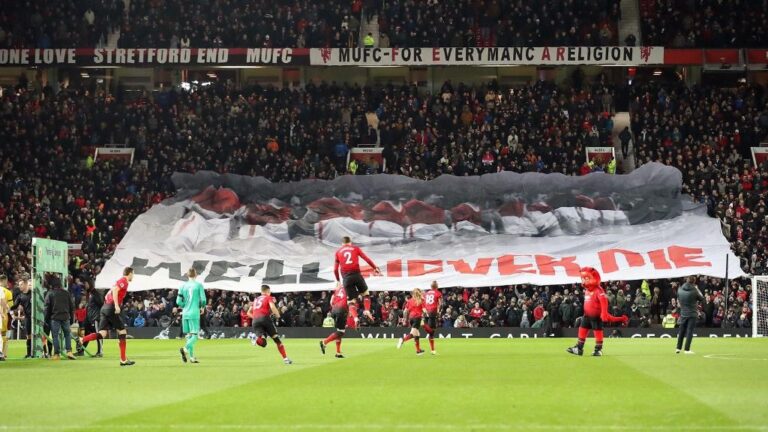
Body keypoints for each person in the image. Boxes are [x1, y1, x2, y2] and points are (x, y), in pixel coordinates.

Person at [79, 267, 135, 366]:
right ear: (129, 273)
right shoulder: (124, 281)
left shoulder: (118, 282)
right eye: (133, 274)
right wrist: (116, 305)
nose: (133, 276)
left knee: (102, 334)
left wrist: (108, 305)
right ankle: (123, 359)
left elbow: (107, 295)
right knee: (122, 332)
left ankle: (82, 339)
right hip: (111, 308)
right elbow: (115, 290)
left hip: (105, 308)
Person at [567, 267, 628, 356]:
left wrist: (603, 313)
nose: (584, 281)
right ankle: (579, 348)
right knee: (582, 329)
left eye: (586, 278)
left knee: (597, 331)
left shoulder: (598, 290)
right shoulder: (587, 290)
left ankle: (598, 350)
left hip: (596, 316)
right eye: (583, 279)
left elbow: (604, 301)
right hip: (586, 315)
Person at [334, 236, 381, 322]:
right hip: (356, 275)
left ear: (342, 243)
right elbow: (366, 259)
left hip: (346, 279)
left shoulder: (338, 252)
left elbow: (335, 269)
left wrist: (338, 280)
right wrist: (375, 267)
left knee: (351, 302)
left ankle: (355, 318)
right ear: (350, 242)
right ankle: (367, 310)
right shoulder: (355, 248)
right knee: (366, 294)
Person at [248, 285, 291, 365]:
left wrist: (257, 317)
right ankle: (285, 359)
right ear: (267, 291)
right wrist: (278, 315)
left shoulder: (256, 299)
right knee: (277, 340)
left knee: (263, 343)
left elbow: (248, 312)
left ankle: (255, 338)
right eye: (269, 291)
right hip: (265, 319)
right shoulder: (268, 297)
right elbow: (272, 307)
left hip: (255, 321)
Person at [176, 268, 207, 364]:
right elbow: (203, 299)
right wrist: (202, 307)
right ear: (196, 275)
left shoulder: (182, 286)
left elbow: (178, 301)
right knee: (195, 336)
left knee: (189, 336)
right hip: (194, 312)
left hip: (185, 313)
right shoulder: (198, 285)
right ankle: (184, 349)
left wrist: (184, 305)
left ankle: (192, 357)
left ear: (187, 275)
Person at [44, 278, 76, 360]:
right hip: (66, 317)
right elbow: (72, 307)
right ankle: (69, 351)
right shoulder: (66, 293)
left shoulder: (50, 293)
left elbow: (47, 308)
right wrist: (72, 318)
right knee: (67, 335)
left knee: (55, 336)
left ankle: (56, 354)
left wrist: (45, 319)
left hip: (55, 318)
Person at [676, 276, 704, 354]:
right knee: (689, 331)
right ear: (694, 282)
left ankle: (678, 348)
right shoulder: (694, 290)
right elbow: (702, 298)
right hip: (692, 313)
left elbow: (678, 298)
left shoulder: (680, 289)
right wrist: (697, 289)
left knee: (681, 331)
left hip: (683, 313)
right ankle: (687, 349)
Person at [319, 282, 348, 358]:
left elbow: (331, 303)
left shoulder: (335, 292)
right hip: (341, 311)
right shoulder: (347, 290)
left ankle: (338, 353)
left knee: (339, 331)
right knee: (341, 332)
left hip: (334, 310)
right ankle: (324, 342)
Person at [397, 288, 427, 355]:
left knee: (417, 334)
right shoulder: (421, 300)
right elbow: (424, 310)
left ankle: (418, 351)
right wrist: (425, 315)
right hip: (417, 318)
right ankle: (402, 340)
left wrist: (405, 319)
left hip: (411, 318)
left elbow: (405, 311)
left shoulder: (410, 301)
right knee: (413, 333)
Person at [79, 284, 104, 357]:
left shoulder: (95, 294)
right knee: (87, 334)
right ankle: (81, 351)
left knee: (98, 334)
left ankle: (100, 352)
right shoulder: (90, 295)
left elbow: (101, 303)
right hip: (89, 318)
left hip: (96, 318)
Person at [11, 276, 32, 358]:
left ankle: (44, 352)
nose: (19, 286)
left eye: (21, 284)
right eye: (19, 284)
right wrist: (8, 309)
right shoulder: (20, 296)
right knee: (28, 336)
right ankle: (29, 353)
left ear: (26, 284)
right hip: (27, 318)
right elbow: (15, 306)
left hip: (36, 318)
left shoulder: (33, 293)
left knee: (40, 336)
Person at [423, 281, 442, 355]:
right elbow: (440, 304)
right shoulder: (438, 293)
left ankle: (424, 326)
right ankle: (433, 350)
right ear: (436, 286)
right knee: (432, 332)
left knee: (431, 331)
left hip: (426, 312)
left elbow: (423, 303)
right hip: (432, 312)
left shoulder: (426, 293)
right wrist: (439, 312)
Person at [0, 275, 11, 360]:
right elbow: (5, 303)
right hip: (3, 315)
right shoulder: (5, 291)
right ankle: (2, 353)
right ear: (4, 281)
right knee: (2, 335)